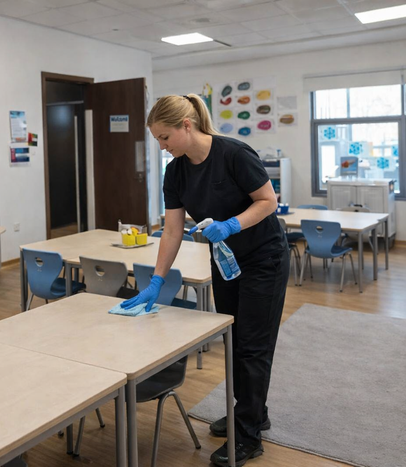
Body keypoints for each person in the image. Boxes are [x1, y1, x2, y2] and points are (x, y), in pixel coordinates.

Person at [121, 94, 290, 467]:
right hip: (227, 261)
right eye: (157, 140)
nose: (162, 147)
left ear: (187, 125)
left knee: (253, 345)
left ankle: (247, 436)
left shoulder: (233, 154)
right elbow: (171, 230)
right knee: (232, 340)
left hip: (264, 258)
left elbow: (267, 201)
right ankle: (252, 412)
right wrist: (157, 282)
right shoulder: (176, 171)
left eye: (164, 138)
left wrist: (231, 224)